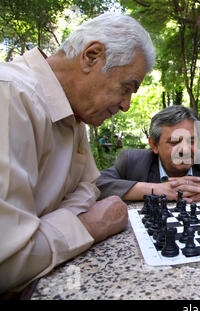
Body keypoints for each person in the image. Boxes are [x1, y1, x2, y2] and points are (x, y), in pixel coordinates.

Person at [0, 13, 155, 294]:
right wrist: (85, 226)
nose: (126, 105)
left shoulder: (74, 115)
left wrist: (49, 225)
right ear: (91, 56)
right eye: (127, 87)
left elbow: (88, 188)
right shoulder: (10, 97)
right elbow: (6, 261)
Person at [97, 105, 200, 203]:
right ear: (154, 145)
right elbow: (95, 184)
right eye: (174, 142)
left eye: (192, 141)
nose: (185, 150)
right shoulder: (132, 162)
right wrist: (154, 190)